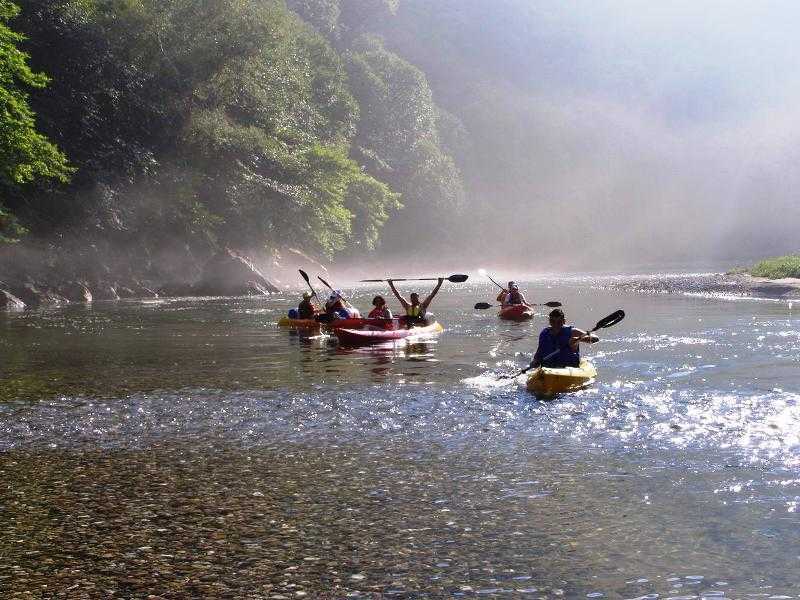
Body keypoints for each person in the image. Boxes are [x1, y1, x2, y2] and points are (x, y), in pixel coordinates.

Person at [531, 308, 598, 368]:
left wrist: (579, 339)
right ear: (549, 321)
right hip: (549, 368)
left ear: (564, 321)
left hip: (569, 368)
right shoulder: (544, 333)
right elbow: (539, 352)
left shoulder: (572, 332)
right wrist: (535, 361)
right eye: (553, 321)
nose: (556, 325)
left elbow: (596, 339)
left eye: (559, 322)